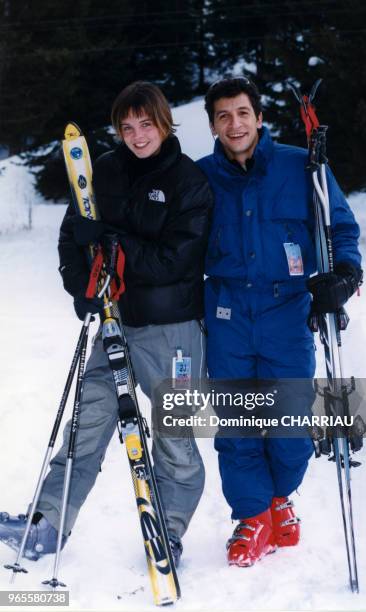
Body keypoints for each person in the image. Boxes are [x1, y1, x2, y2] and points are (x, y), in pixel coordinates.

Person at [0, 81, 212, 568]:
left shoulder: (189, 182)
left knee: (174, 438)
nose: (137, 135)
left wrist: (113, 243)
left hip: (173, 329)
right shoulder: (104, 172)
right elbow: (74, 235)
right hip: (115, 324)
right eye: (127, 127)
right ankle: (46, 525)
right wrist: (81, 287)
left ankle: (169, 532)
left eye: (146, 124)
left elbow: (175, 260)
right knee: (87, 422)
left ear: (164, 123)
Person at [197, 77, 362, 567]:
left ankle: (279, 501)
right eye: (224, 116)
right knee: (238, 421)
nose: (235, 123)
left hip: (286, 310)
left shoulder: (302, 166)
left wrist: (345, 276)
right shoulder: (201, 177)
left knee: (290, 418)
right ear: (213, 125)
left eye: (243, 113)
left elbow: (341, 227)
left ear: (260, 117)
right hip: (226, 310)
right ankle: (251, 516)